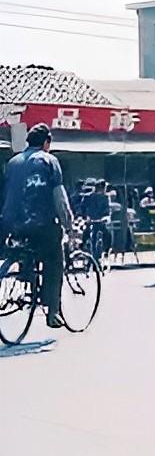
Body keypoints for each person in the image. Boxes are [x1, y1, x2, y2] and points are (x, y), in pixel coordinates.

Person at [0, 124, 73, 328]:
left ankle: (27, 275)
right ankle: (53, 311)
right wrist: (69, 225)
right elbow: (60, 199)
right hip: (41, 224)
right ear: (46, 143)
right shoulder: (50, 161)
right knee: (55, 260)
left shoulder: (12, 162)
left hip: (11, 224)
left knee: (26, 250)